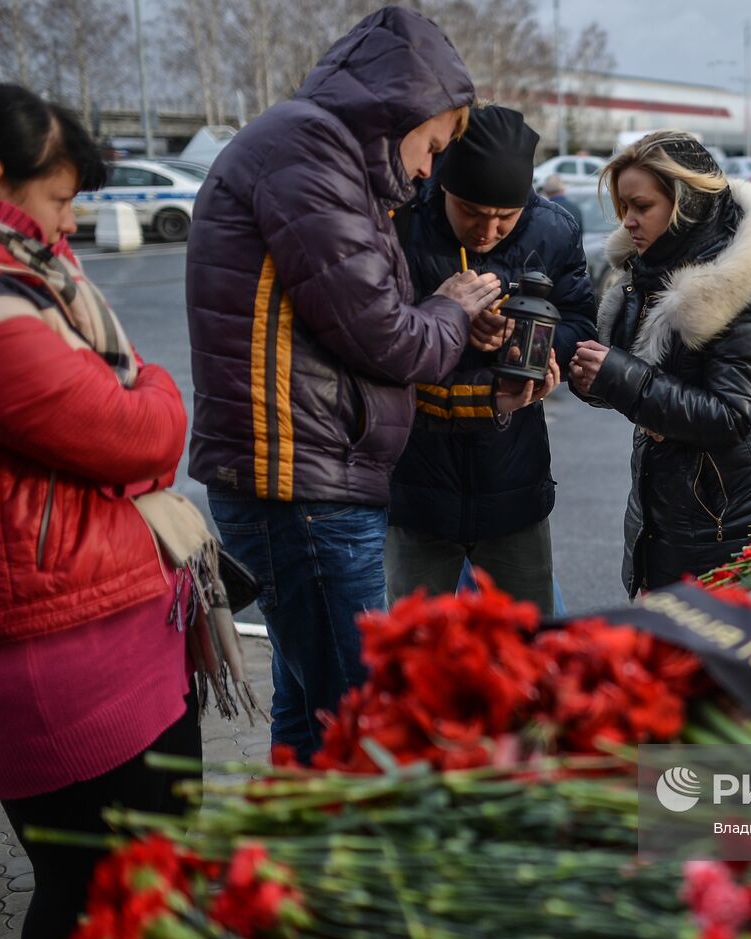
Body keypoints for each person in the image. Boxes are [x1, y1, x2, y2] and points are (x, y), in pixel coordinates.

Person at [186, 8, 557, 763]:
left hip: (308, 478)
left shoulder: (317, 155)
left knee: (310, 706)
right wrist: (453, 309)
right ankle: (349, 872)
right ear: (402, 111)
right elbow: (388, 338)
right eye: (434, 146)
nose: (427, 169)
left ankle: (294, 868)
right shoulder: (308, 154)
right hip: (301, 486)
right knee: (358, 724)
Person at [0, 84, 202, 939]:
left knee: (150, 874)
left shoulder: (19, 274)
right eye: (57, 200)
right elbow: (142, 433)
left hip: (103, 622)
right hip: (44, 650)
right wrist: (157, 384)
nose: (67, 224)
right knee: (95, 889)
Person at [386, 107, 596, 614]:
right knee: (418, 652)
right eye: (472, 213)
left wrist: (526, 343)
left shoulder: (553, 231)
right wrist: (446, 316)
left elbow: (581, 326)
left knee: (530, 645)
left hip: (514, 481)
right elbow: (378, 334)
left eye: (505, 217)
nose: (487, 231)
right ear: (443, 190)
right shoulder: (402, 222)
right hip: (418, 485)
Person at [568, 130, 751, 596]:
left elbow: (731, 414)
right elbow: (635, 378)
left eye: (641, 207)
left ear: (686, 204)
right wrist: (590, 376)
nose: (628, 222)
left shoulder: (744, 292)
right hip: (667, 502)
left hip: (728, 516)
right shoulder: (643, 274)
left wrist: (619, 378)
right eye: (623, 209)